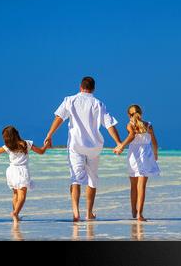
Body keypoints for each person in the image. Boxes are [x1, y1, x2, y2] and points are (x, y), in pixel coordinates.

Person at [43, 76, 123, 221]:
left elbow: (59, 118)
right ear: (93, 89)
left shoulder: (70, 100)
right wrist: (118, 142)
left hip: (76, 146)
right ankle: (89, 213)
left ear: (80, 87)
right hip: (94, 147)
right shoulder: (98, 103)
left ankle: (76, 213)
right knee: (92, 179)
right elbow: (109, 124)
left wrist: (49, 135)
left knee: (76, 178)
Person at [0, 125, 49, 222]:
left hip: (12, 171)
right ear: (16, 133)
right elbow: (41, 152)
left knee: (15, 194)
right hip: (22, 171)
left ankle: (15, 215)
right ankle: (15, 213)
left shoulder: (8, 147)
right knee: (22, 195)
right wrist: (46, 145)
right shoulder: (26, 144)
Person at [113, 104, 160, 221]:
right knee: (142, 187)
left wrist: (121, 146)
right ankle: (139, 214)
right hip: (146, 156)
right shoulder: (148, 125)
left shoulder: (130, 125)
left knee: (133, 186)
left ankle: (134, 210)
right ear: (141, 113)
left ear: (129, 115)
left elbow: (131, 136)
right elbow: (154, 142)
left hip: (133, 156)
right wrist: (155, 154)